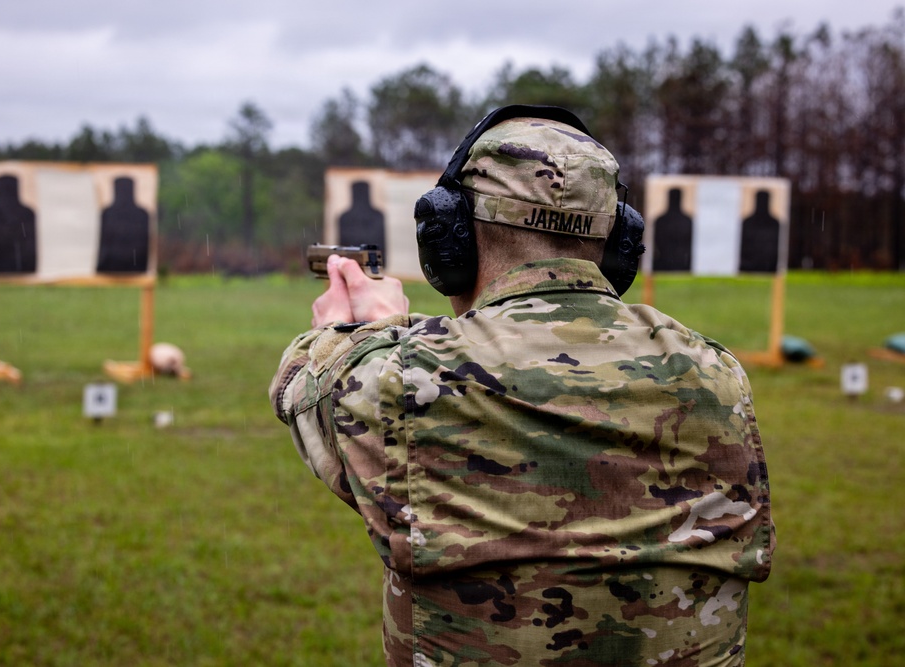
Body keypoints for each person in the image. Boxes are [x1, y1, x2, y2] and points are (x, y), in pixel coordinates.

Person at [269, 105, 774, 666]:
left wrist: (373, 326)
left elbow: (305, 384)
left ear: (450, 242)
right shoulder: (718, 376)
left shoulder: (413, 383)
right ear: (619, 243)